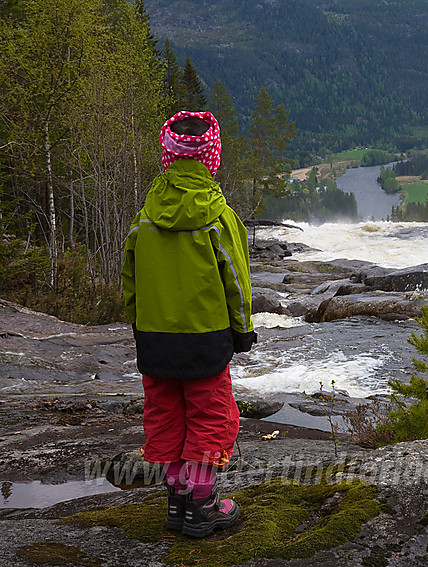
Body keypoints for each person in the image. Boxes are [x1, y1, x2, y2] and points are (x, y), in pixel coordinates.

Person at [121, 110, 257, 538]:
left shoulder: (146, 214)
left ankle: (177, 502)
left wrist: (140, 325)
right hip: (205, 337)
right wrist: (242, 330)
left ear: (168, 155)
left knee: (166, 415)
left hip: (155, 338)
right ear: (211, 156)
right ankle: (202, 507)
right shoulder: (217, 216)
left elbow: (130, 280)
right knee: (211, 417)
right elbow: (235, 278)